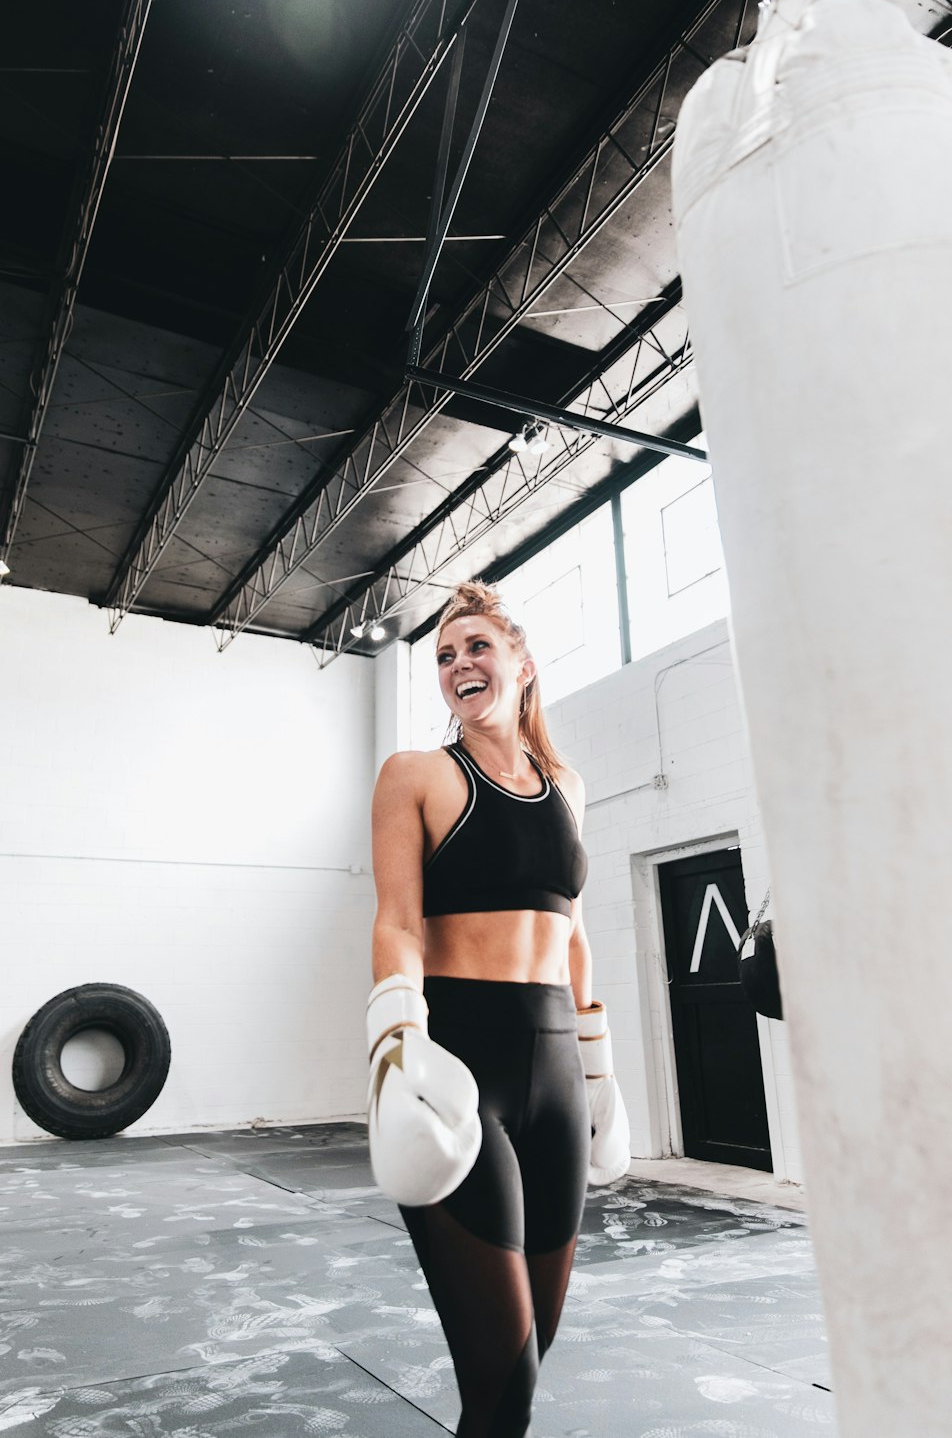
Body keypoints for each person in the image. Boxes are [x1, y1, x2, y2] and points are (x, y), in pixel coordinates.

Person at [365, 580, 629, 1438]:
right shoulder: (417, 775)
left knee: (527, 1358)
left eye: (476, 647)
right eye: (444, 656)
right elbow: (398, 922)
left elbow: (575, 937)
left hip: (557, 1071)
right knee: (504, 1376)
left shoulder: (569, 788)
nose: (458, 665)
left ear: (521, 665)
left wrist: (600, 1070)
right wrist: (399, 1043)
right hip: (461, 1071)